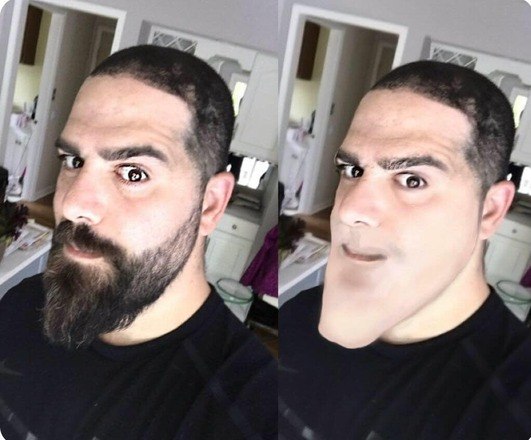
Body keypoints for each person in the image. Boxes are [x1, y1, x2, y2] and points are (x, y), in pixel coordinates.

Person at [0, 45, 277, 440]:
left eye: (133, 173)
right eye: (74, 161)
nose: (73, 205)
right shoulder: (26, 301)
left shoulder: (251, 410)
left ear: (210, 204)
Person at [279, 60, 531, 439]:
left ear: (490, 210)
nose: (349, 210)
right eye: (352, 171)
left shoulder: (514, 403)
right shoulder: (300, 316)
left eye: (412, 179)